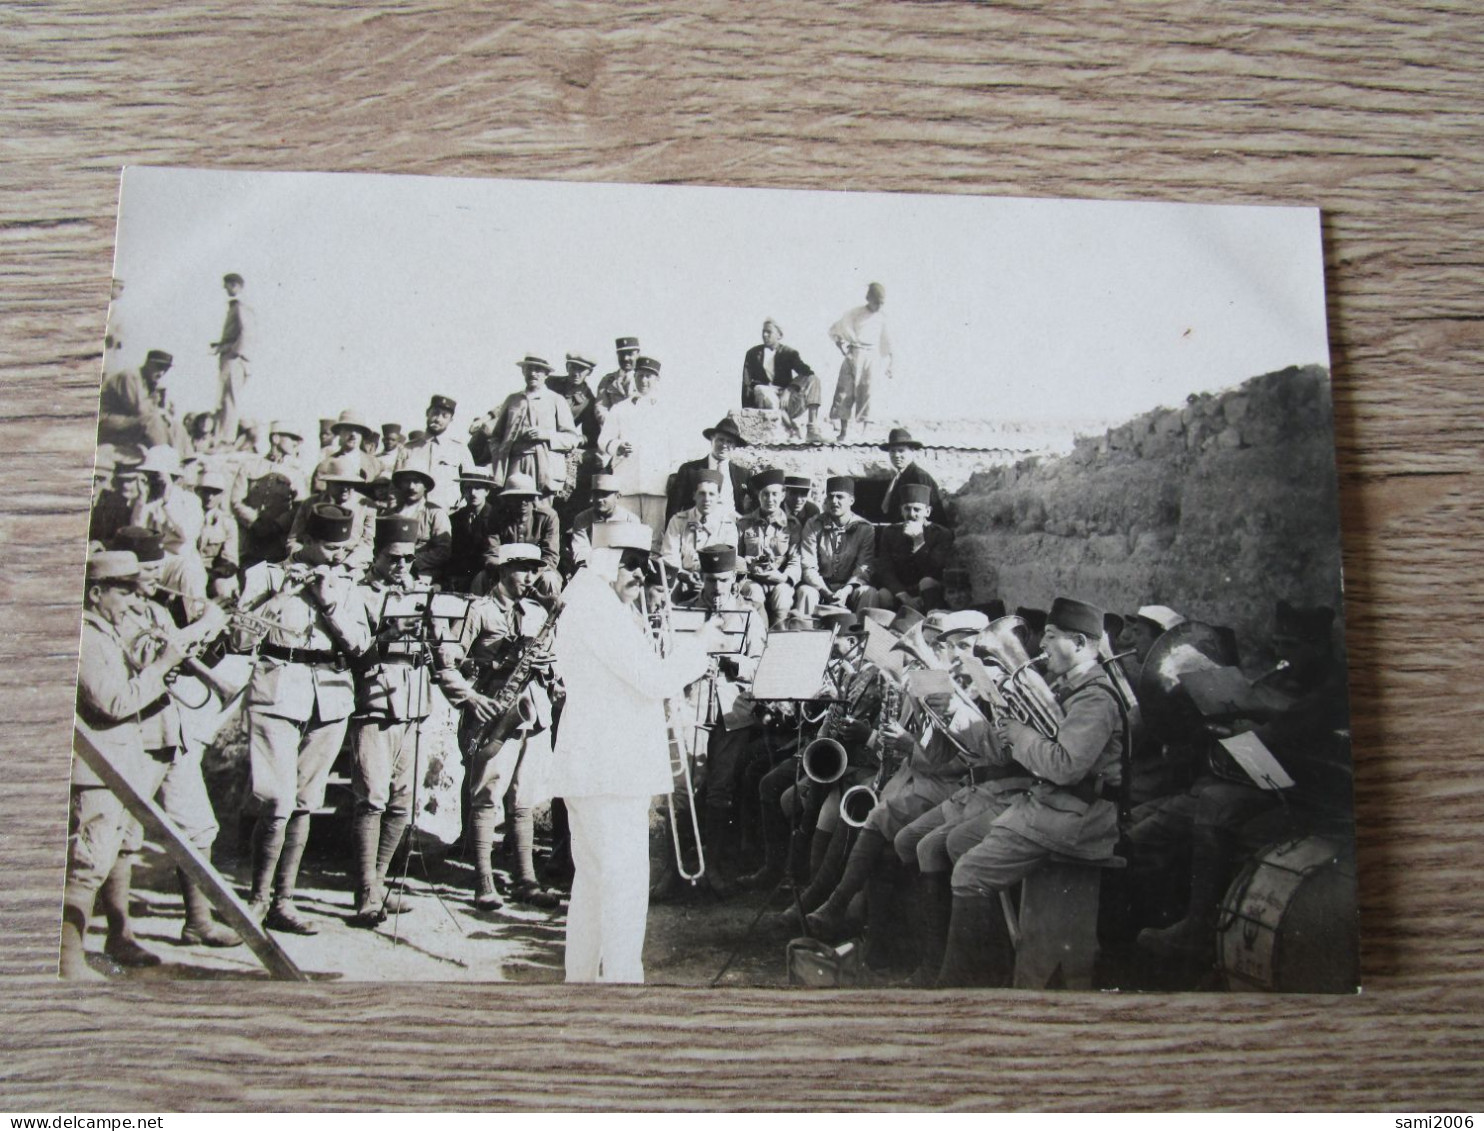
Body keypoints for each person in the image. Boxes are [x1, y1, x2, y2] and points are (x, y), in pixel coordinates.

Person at [549, 523, 727, 982]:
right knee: (624, 886)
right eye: (632, 563)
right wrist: (698, 648)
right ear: (609, 560)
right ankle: (622, 988)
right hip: (610, 767)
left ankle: (583, 985)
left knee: (591, 884)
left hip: (594, 765)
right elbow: (653, 680)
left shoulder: (590, 601)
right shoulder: (599, 609)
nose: (641, 575)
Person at [934, 597, 1126, 986]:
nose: (1040, 645)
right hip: (1049, 808)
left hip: (1074, 817)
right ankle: (996, 969)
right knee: (958, 846)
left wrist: (1021, 734)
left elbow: (1065, 766)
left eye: (1051, 637)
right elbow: (1000, 750)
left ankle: (962, 984)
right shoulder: (1064, 687)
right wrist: (962, 711)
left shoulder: (1095, 698)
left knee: (969, 873)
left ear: (1079, 643)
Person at [235, 504, 373, 934]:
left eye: (344, 548)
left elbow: (360, 645)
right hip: (277, 689)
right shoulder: (266, 575)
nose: (338, 556)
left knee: (304, 802)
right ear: (308, 542)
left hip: (330, 696)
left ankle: (283, 901)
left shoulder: (349, 584)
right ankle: (256, 899)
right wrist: (282, 596)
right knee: (276, 798)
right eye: (331, 548)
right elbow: (240, 635)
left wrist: (329, 605)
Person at [64, 551, 190, 978]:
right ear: (96, 593)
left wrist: (154, 671)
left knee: (104, 856)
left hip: (118, 762)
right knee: (88, 862)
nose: (132, 601)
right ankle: (67, 960)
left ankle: (96, 946)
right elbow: (113, 703)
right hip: (97, 769)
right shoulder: (88, 635)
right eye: (123, 592)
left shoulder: (109, 632)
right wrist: (160, 666)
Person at [436, 543, 563, 911]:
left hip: (530, 713)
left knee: (523, 800)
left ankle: (526, 880)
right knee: (487, 796)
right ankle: (483, 881)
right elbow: (447, 665)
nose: (530, 577)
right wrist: (471, 699)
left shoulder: (537, 613)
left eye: (533, 569)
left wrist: (551, 673)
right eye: (522, 569)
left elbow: (552, 663)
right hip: (491, 713)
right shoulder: (478, 611)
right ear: (502, 571)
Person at [346, 517, 439, 927]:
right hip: (376, 699)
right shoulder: (357, 595)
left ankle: (379, 882)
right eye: (394, 558)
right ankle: (365, 889)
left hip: (414, 700)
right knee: (372, 797)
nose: (402, 566)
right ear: (377, 556)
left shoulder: (420, 591)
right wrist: (386, 633)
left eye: (408, 559)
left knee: (403, 800)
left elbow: (436, 649)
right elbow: (351, 649)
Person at [470, 356, 580, 498]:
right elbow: (496, 436)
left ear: (546, 374)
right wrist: (499, 455)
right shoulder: (513, 400)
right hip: (514, 463)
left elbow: (572, 439)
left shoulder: (556, 400)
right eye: (528, 369)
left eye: (538, 370)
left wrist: (546, 435)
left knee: (541, 509)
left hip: (544, 465)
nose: (532, 373)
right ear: (523, 371)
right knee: (513, 505)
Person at [597, 356, 673, 538]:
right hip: (627, 482)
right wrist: (617, 446)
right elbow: (603, 440)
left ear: (657, 380)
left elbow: (677, 447)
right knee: (625, 533)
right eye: (640, 375)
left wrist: (674, 474)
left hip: (657, 484)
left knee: (654, 535)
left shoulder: (667, 410)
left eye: (649, 376)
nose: (644, 381)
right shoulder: (619, 409)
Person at [794, 475, 890, 617]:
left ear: (851, 500)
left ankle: (865, 635)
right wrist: (824, 591)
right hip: (820, 587)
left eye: (840, 497)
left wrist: (846, 591)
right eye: (830, 497)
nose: (834, 501)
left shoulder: (864, 528)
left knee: (868, 593)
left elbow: (864, 567)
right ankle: (807, 634)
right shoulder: (814, 525)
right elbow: (808, 565)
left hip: (850, 589)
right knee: (806, 592)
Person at [229, 420, 309, 569]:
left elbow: (300, 507)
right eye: (292, 438)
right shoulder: (250, 466)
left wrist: (277, 525)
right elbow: (236, 500)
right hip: (249, 540)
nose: (296, 443)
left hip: (278, 543)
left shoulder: (296, 473)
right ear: (275, 438)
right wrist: (254, 522)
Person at [736, 468, 803, 629]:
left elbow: (795, 560)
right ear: (759, 496)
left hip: (778, 577)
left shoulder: (792, 525)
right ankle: (757, 637)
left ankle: (778, 638)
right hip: (750, 578)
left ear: (782, 495)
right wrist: (748, 564)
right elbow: (736, 556)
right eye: (765, 494)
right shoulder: (744, 523)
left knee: (784, 593)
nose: (770, 499)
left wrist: (783, 577)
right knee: (754, 591)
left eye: (774, 494)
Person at [286, 455, 376, 573]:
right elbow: (294, 540)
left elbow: (367, 545)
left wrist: (344, 567)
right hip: (310, 563)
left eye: (349, 484)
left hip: (349, 565)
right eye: (339, 483)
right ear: (328, 483)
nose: (345, 488)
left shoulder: (366, 506)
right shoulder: (310, 504)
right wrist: (305, 559)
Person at [828, 281, 893, 441]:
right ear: (868, 298)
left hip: (871, 356)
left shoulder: (882, 318)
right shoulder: (854, 313)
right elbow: (837, 329)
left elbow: (889, 341)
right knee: (845, 391)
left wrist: (892, 363)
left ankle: (865, 432)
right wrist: (840, 344)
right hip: (854, 353)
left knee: (868, 392)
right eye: (876, 301)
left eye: (881, 303)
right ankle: (843, 432)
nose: (878, 305)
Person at [660, 470, 741, 599]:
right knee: (666, 596)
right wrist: (683, 575)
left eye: (712, 494)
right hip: (682, 579)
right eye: (702, 493)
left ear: (719, 497)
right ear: (694, 495)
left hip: (715, 582)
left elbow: (727, 563)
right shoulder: (679, 520)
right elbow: (669, 555)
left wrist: (707, 580)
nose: (707, 499)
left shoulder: (727, 525)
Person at [876, 484, 955, 612]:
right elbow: (885, 569)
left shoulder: (941, 534)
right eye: (907, 509)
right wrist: (904, 596)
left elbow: (934, 570)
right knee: (883, 595)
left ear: (927, 511)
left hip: (928, 590)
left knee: (926, 582)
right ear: (901, 511)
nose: (911, 514)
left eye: (917, 509)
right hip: (902, 590)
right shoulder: (890, 532)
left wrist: (918, 540)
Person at [742, 319, 823, 441]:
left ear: (779, 335)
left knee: (814, 379)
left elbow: (807, 373)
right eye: (763, 332)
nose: (765, 335)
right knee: (760, 389)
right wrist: (747, 412)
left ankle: (812, 429)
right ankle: (791, 427)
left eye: (769, 332)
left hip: (787, 399)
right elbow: (746, 383)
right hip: (765, 398)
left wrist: (790, 389)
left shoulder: (789, 353)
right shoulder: (752, 354)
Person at [666, 416, 750, 521]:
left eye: (729, 442)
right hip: (696, 528)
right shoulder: (689, 470)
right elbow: (673, 508)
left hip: (730, 529)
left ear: (734, 446)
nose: (724, 445)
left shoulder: (743, 474)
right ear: (712, 440)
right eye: (720, 440)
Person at [97, 349, 181, 451]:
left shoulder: (147, 381)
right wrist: (154, 399)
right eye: (159, 367)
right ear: (148, 363)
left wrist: (165, 414)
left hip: (127, 421)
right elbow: (139, 410)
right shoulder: (131, 376)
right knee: (152, 419)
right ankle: (162, 456)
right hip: (108, 421)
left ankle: (183, 460)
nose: (161, 373)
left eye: (166, 369)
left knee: (174, 425)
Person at [395, 394, 464, 511]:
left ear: (450, 420)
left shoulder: (459, 449)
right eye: (435, 413)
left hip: (449, 513)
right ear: (427, 413)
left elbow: (469, 483)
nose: (438, 419)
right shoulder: (408, 448)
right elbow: (395, 485)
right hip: (413, 513)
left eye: (444, 416)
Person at [564, 472, 640, 576]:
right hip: (591, 570)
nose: (599, 499)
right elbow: (581, 550)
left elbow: (635, 553)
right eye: (596, 494)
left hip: (622, 571)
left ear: (617, 497)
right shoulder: (582, 519)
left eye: (605, 495)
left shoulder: (631, 520)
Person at [388, 467, 453, 585]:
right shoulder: (391, 514)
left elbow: (443, 551)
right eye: (406, 481)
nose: (411, 486)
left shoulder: (435, 513)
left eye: (416, 482)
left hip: (423, 571)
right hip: (392, 569)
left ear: (426, 486)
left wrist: (411, 562)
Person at [879, 427, 952, 527]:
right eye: (892, 451)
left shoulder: (919, 477)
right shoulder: (898, 477)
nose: (896, 455)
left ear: (912, 451)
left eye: (901, 451)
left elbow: (932, 514)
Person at [212, 273, 251, 442]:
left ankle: (226, 438)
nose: (224, 288)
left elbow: (246, 334)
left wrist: (233, 351)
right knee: (224, 397)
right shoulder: (235, 306)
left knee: (229, 398)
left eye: (227, 285)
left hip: (234, 358)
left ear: (235, 285)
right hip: (230, 355)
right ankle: (222, 436)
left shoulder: (241, 306)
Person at [447, 469, 500, 593]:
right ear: (463, 491)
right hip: (460, 577)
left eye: (478, 488)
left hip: (486, 577)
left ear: (487, 491)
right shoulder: (455, 518)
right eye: (468, 488)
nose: (473, 493)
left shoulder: (496, 517)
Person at [313, 411, 382, 493]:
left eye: (357, 430)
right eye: (348, 429)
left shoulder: (375, 464)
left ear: (362, 434)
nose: (353, 434)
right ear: (339, 433)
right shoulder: (326, 465)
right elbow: (320, 497)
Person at [593, 336, 641, 424]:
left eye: (630, 354)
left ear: (638, 354)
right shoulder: (608, 380)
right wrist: (614, 424)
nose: (625, 358)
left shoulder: (645, 380)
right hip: (613, 429)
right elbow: (601, 408)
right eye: (622, 354)